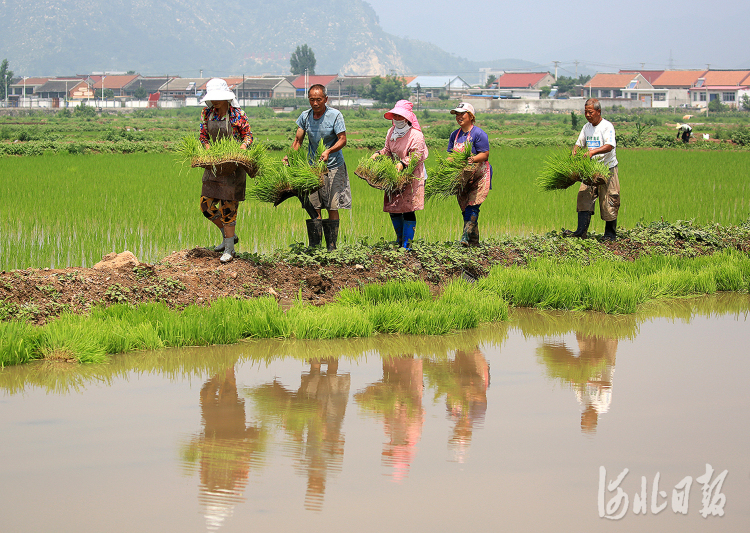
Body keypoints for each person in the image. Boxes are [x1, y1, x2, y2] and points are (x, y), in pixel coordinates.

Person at [290, 84, 352, 251]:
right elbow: (297, 141)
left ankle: (331, 247)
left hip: (333, 166)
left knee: (332, 206)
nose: (315, 103)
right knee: (314, 206)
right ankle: (315, 247)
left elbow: (342, 139)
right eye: (312, 99)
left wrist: (329, 151)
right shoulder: (305, 117)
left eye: (318, 99)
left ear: (326, 99)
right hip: (313, 168)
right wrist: (290, 158)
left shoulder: (335, 115)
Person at [198, 78, 253, 263]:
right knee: (206, 206)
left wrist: (241, 150)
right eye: (212, 98)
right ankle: (227, 235)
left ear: (226, 98)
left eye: (218, 98)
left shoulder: (237, 114)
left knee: (228, 208)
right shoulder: (207, 113)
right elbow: (203, 137)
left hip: (233, 167)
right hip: (214, 165)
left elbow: (248, 137)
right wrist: (209, 152)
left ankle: (229, 249)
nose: (214, 101)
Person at [370, 100, 428, 249]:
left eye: (400, 116)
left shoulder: (416, 135)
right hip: (395, 174)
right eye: (395, 115)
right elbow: (387, 150)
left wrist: (402, 164)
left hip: (412, 175)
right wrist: (378, 154)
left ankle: (407, 245)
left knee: (408, 209)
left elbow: (416, 156)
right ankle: (399, 239)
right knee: (393, 207)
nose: (397, 119)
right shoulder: (391, 132)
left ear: (407, 118)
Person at [566, 98, 620, 241]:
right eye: (585, 112)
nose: (588, 115)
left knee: (609, 200)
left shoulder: (607, 126)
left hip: (607, 168)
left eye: (590, 112)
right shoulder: (586, 127)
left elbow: (609, 146)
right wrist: (575, 151)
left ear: (598, 111)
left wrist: (592, 152)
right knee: (584, 197)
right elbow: (579, 143)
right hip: (590, 170)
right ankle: (580, 232)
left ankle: (610, 235)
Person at [448, 102, 491, 247]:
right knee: (465, 208)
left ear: (471, 116)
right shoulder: (455, 135)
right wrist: (447, 163)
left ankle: (465, 237)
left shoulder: (479, 133)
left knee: (473, 206)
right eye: (457, 114)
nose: (459, 117)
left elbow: (484, 154)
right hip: (462, 176)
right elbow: (451, 155)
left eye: (462, 114)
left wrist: (472, 159)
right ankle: (474, 243)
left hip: (479, 175)